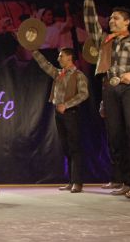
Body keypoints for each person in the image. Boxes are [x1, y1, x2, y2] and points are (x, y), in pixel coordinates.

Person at [83, 0, 130, 198]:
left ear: (127, 22)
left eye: (116, 18)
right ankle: (126, 180)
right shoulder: (105, 42)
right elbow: (91, 23)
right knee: (115, 136)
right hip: (110, 89)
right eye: (110, 18)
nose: (111, 21)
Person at [32, 48, 89, 193]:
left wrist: (67, 105)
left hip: (71, 113)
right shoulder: (59, 74)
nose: (58, 59)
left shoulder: (79, 75)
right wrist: (34, 50)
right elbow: (45, 65)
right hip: (60, 114)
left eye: (61, 56)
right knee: (66, 147)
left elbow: (84, 94)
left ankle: (77, 182)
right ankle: (71, 181)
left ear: (69, 57)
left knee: (74, 147)